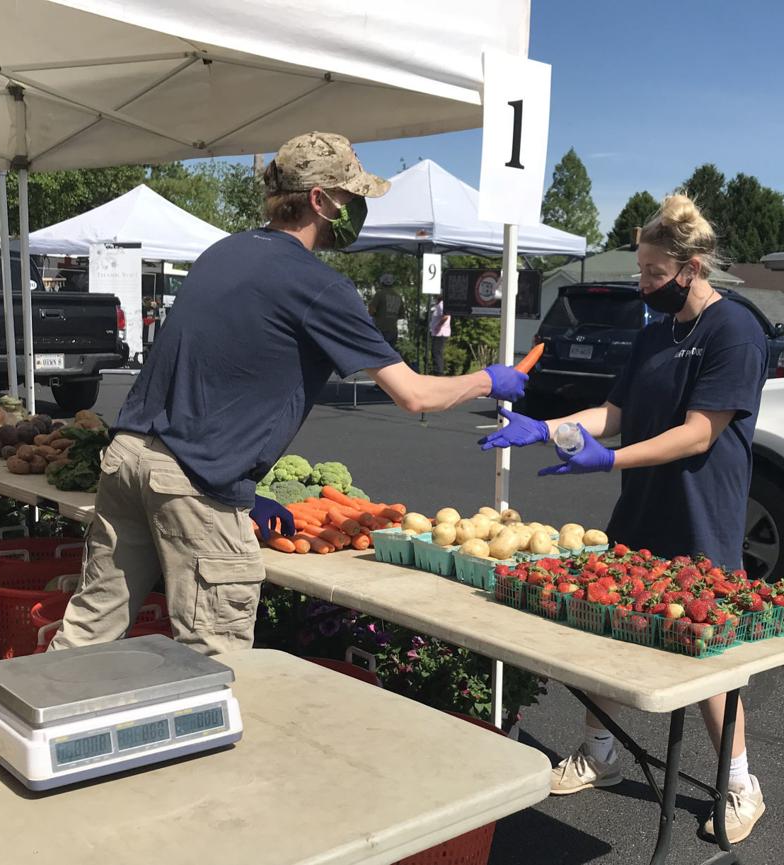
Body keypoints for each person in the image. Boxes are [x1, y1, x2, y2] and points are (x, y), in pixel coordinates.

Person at [49, 131, 528, 657]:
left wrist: (241, 488)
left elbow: (221, 368)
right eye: (351, 198)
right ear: (319, 200)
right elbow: (413, 395)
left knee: (88, 630)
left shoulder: (222, 252)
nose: (358, 209)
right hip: (194, 479)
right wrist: (490, 381)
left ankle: (30, 725)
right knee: (216, 657)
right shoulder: (318, 285)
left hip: (129, 457)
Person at [480, 194, 769, 843]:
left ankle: (740, 784)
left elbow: (699, 433)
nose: (643, 285)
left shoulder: (736, 333)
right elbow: (611, 413)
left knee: (705, 654)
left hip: (701, 518)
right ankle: (600, 755)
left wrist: (608, 460)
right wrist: (543, 429)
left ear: (692, 268)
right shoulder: (652, 335)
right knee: (610, 634)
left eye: (652, 274)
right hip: (641, 513)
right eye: (642, 271)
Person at [368, 272, 404, 348]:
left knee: (379, 353)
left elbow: (371, 310)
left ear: (382, 283)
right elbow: (401, 315)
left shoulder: (379, 294)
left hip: (380, 330)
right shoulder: (398, 297)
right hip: (393, 331)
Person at [430, 298, 451, 375]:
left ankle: (438, 372)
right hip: (437, 333)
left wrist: (438, 326)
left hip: (440, 333)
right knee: (436, 352)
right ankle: (437, 371)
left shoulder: (442, 304)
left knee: (437, 352)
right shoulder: (438, 305)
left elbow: (446, 316)